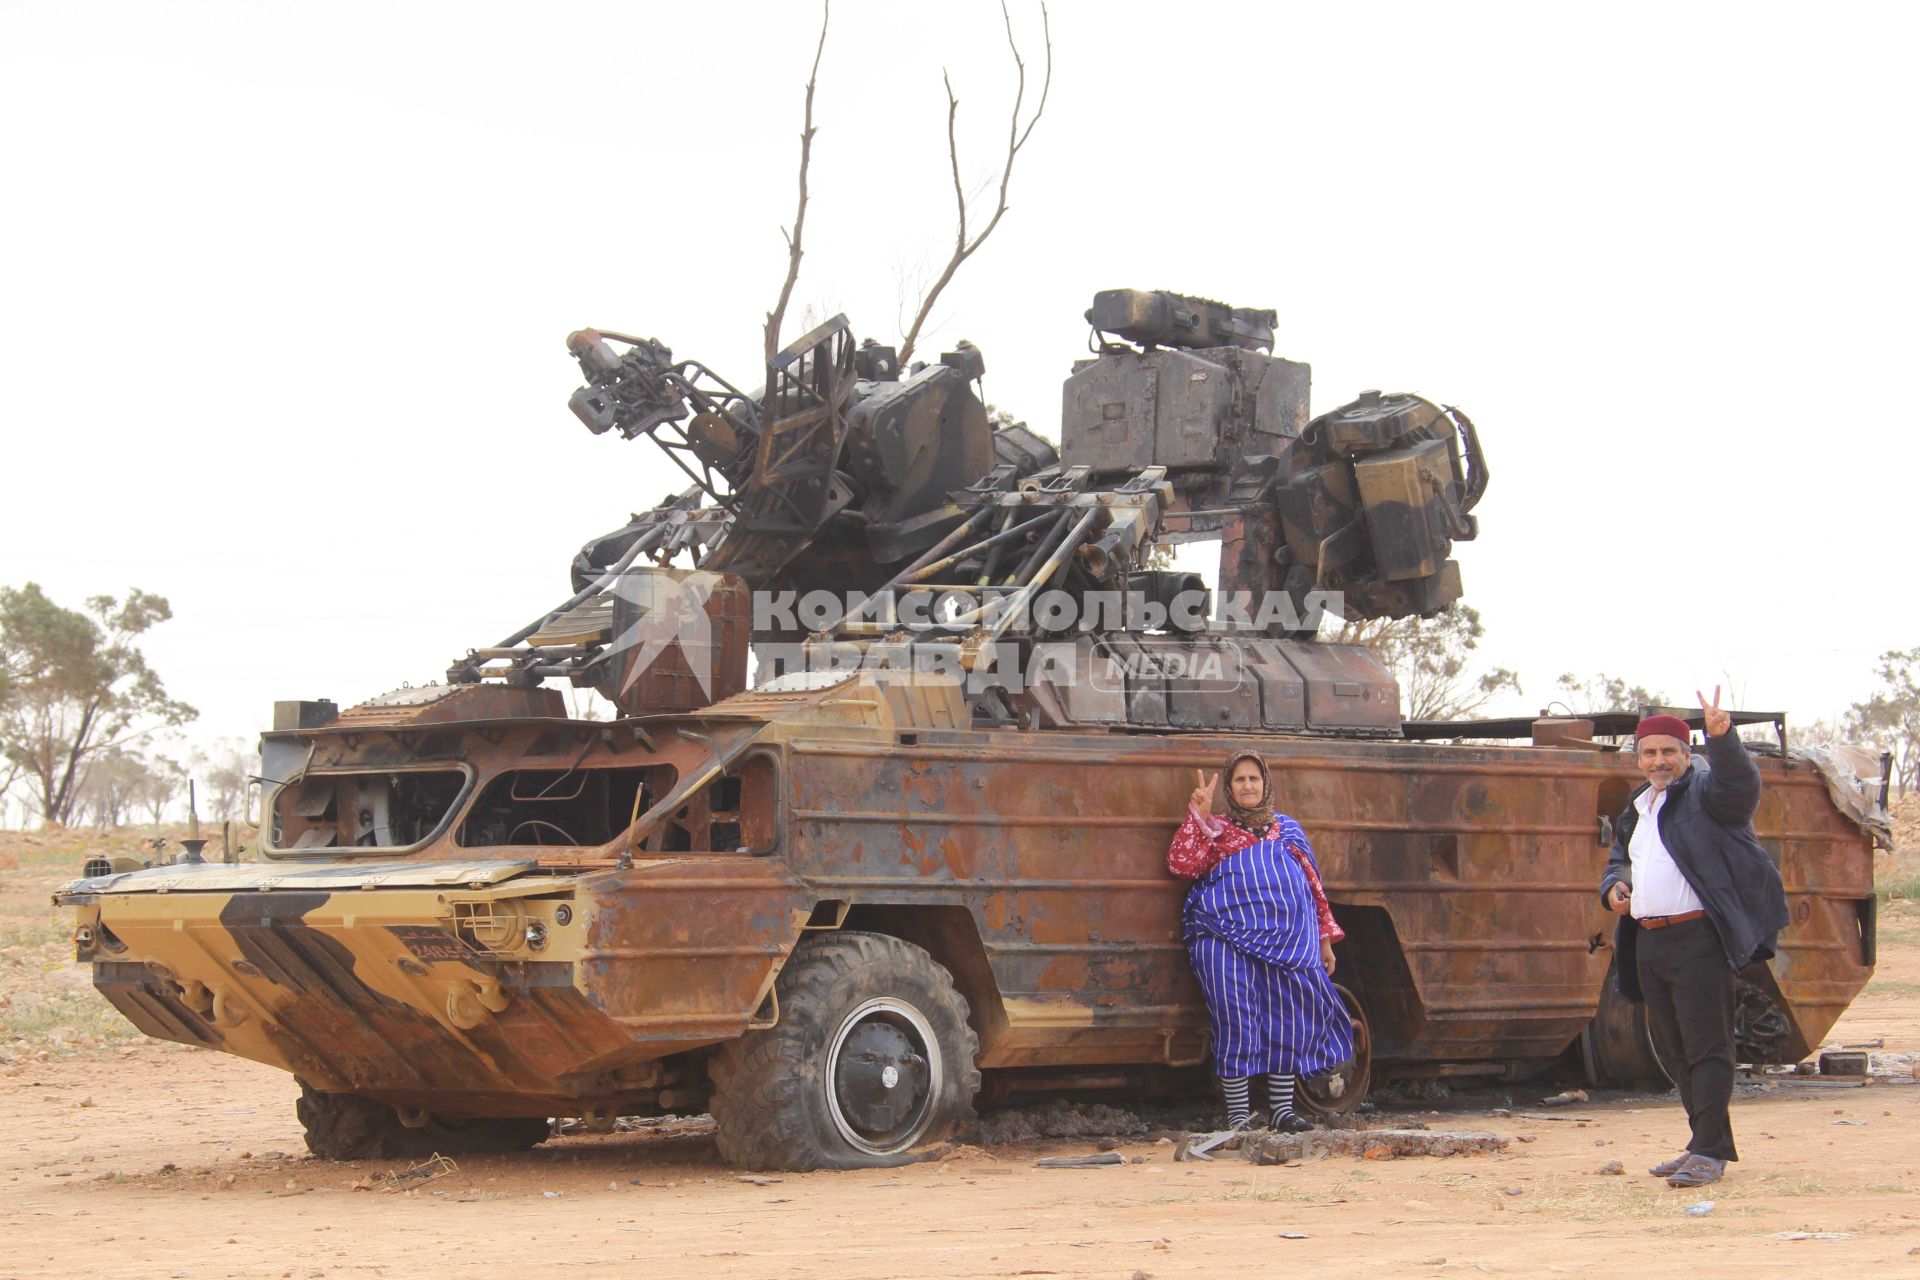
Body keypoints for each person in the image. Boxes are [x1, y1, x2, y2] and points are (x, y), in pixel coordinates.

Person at [1599, 687, 1790, 1190]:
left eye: (1669, 752)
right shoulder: (1638, 807)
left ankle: (1708, 1151)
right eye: (1650, 752)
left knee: (1708, 1046)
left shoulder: (1707, 795)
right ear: (1637, 758)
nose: (1659, 761)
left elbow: (1740, 786)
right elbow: (1622, 860)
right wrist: (1613, 887)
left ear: (1687, 755)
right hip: (1649, 942)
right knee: (1674, 1047)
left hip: (1697, 939)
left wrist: (1723, 739)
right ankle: (1701, 1144)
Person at [1167, 750, 1353, 1132]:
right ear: (1231, 789)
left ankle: (1282, 1111)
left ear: (1265, 784)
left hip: (1289, 942)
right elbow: (1182, 865)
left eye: (1254, 778)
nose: (1248, 785)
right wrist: (1198, 816)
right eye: (1240, 780)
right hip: (1223, 937)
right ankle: (1238, 1116)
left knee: (1286, 1019)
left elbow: (1313, 888)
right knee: (1235, 1019)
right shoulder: (1215, 828)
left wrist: (1324, 941)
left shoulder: (1288, 830)